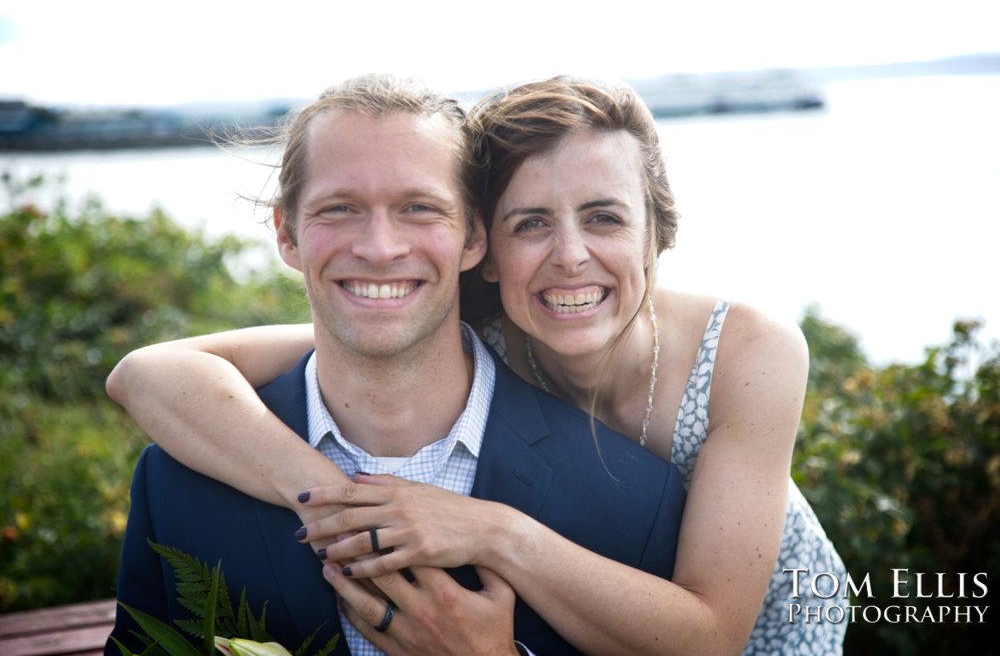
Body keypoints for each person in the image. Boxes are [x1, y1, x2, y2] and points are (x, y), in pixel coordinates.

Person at [109, 76, 848, 655]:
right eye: (530, 223)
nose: (568, 256)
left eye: (605, 216)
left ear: (660, 228)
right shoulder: (477, 320)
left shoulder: (747, 354)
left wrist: (495, 534)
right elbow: (150, 372)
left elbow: (711, 636)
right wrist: (335, 502)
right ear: (487, 249)